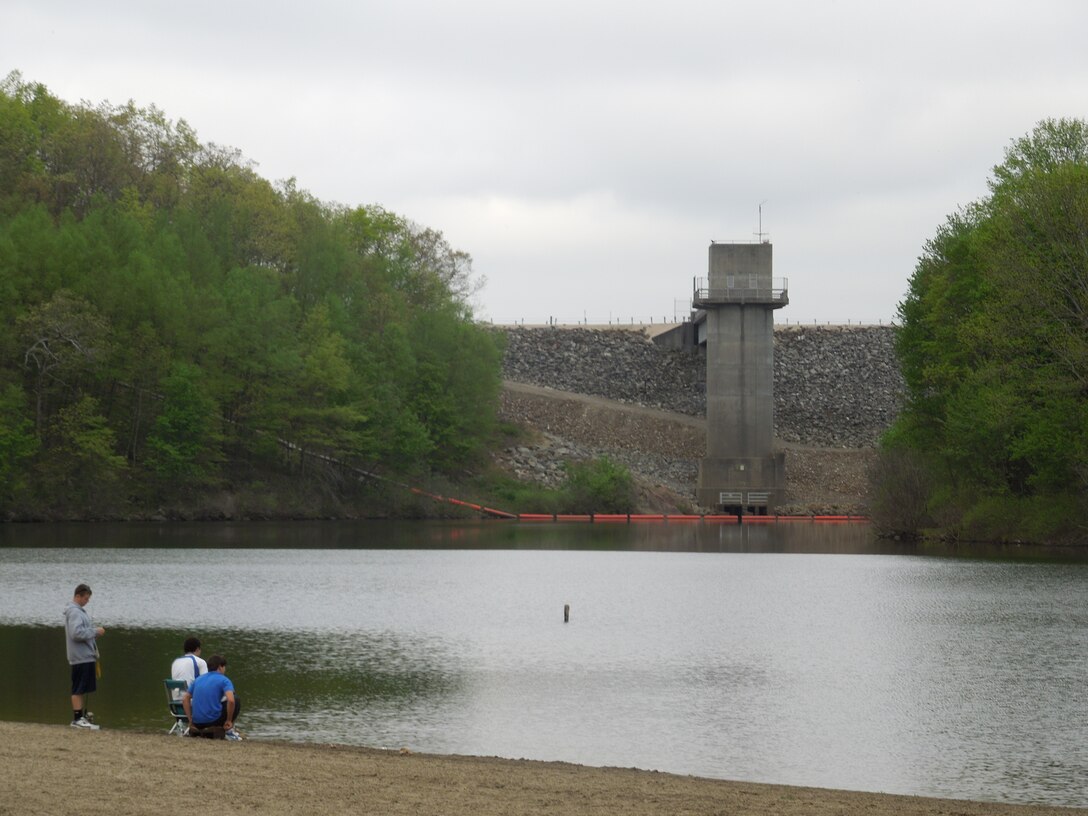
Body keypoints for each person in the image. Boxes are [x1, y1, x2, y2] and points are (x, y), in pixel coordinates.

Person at [63, 583, 105, 730]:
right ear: (78, 596)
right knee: (78, 688)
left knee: (82, 688)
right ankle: (77, 719)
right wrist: (95, 632)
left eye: (88, 599)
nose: (87, 601)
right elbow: (76, 633)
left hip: (86, 656)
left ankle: (80, 718)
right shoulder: (74, 612)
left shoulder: (78, 611)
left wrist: (92, 635)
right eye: (86, 598)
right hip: (80, 657)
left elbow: (81, 632)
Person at [182, 654, 242, 740]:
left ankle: (199, 729)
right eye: (224, 667)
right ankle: (228, 729)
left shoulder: (198, 679)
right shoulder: (224, 680)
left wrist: (190, 719)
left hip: (197, 722)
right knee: (236, 699)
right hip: (213, 721)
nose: (225, 669)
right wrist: (229, 720)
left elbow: (185, 699)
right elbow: (231, 700)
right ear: (220, 667)